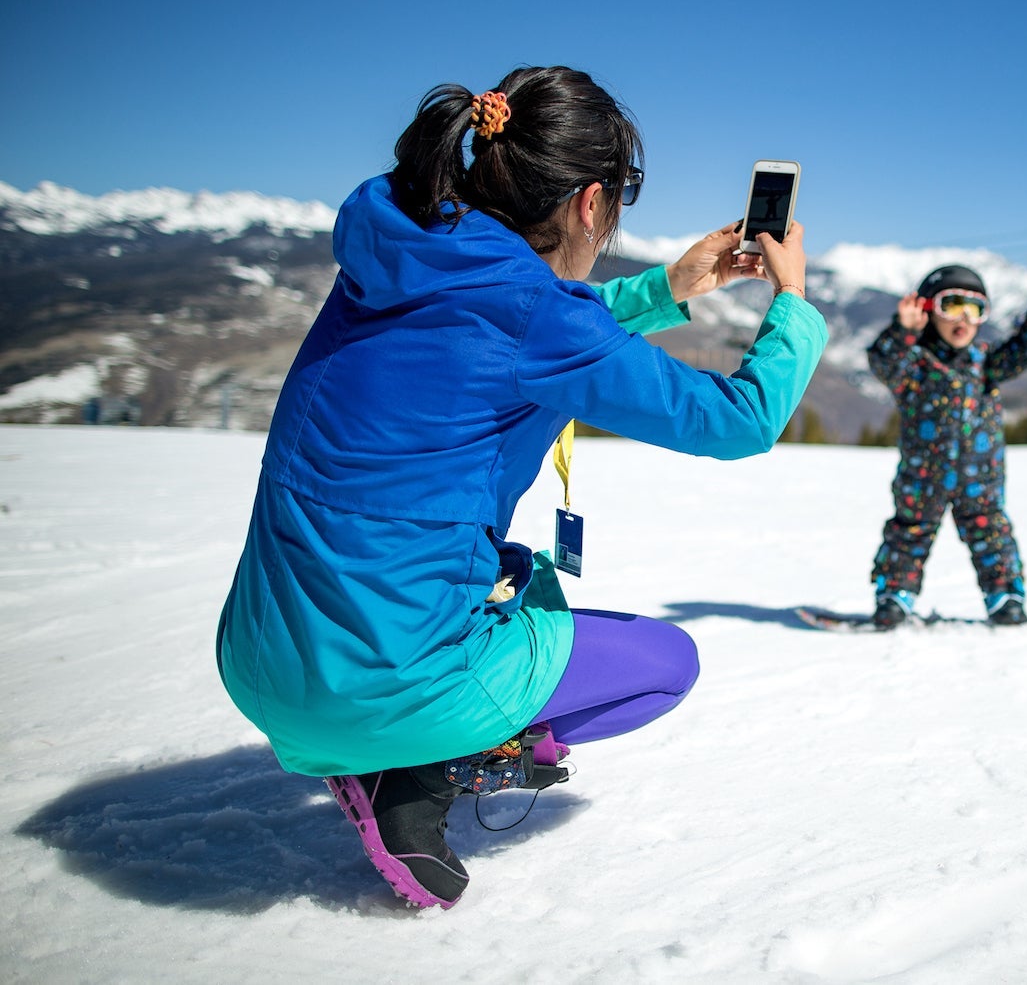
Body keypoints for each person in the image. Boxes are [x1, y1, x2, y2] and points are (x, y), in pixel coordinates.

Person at [215, 66, 826, 909]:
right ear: (588, 203)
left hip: (258, 659)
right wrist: (793, 298)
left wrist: (669, 287)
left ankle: (390, 740)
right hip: (372, 687)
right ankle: (413, 770)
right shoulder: (532, 316)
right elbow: (739, 418)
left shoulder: (394, 254)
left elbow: (510, 324)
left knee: (517, 567)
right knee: (663, 664)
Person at [866, 264, 1027, 629]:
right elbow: (883, 362)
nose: (964, 319)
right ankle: (894, 595)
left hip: (981, 477)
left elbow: (1021, 351)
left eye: (975, 309)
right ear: (928, 310)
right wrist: (903, 330)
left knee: (992, 535)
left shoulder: (985, 362)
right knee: (909, 533)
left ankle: (1005, 597)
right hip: (922, 477)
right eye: (951, 305)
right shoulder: (915, 365)